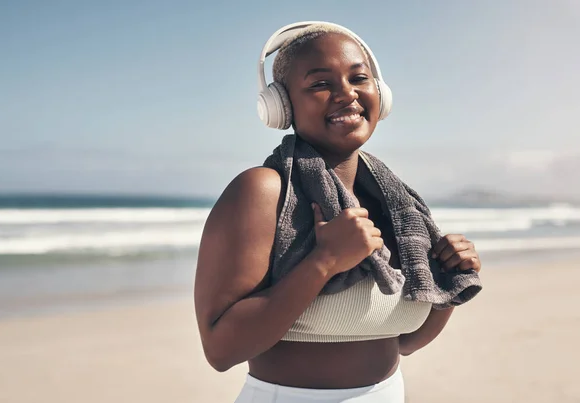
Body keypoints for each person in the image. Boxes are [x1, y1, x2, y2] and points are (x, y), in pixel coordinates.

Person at [194, 21, 482, 403]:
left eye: (358, 78)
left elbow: (406, 342)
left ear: (380, 93)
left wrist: (450, 279)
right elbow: (220, 350)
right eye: (320, 84)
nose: (346, 94)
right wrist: (324, 261)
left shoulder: (397, 204)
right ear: (281, 105)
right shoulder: (263, 190)